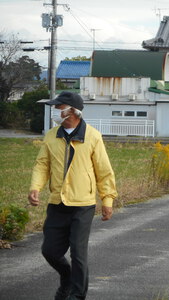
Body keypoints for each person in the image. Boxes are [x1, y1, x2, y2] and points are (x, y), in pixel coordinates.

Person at [28, 92, 118, 300]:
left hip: (82, 204)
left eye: (59, 107)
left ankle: (76, 295)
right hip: (57, 202)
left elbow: (104, 171)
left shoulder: (93, 136)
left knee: (78, 253)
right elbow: (42, 164)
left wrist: (107, 200)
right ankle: (67, 278)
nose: (55, 111)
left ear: (73, 111)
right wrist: (35, 187)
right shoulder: (51, 135)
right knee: (49, 251)